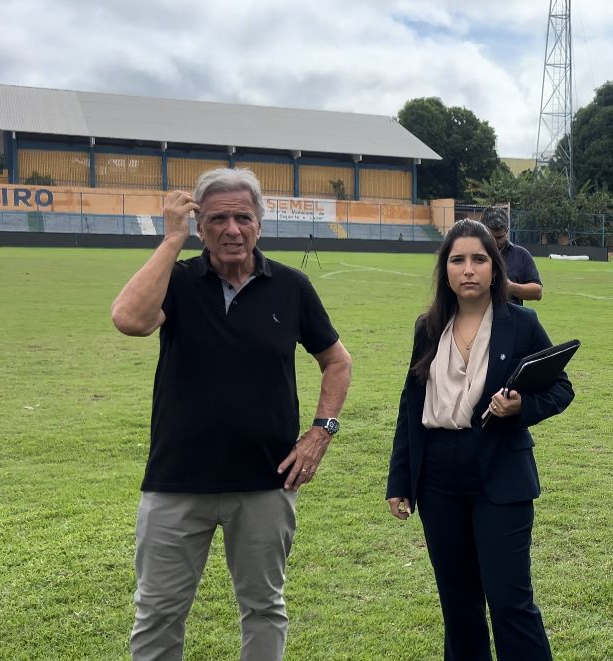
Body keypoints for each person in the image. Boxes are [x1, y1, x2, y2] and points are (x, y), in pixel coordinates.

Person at [110, 168, 353, 660]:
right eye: (217, 218)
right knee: (158, 610)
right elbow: (130, 320)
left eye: (243, 217)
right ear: (200, 227)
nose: (232, 229)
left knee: (264, 606)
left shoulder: (291, 286)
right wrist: (172, 240)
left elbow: (337, 361)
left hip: (265, 482)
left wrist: (321, 431)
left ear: (259, 224)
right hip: (177, 481)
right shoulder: (176, 282)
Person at [386, 219, 574, 661]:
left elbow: (560, 388)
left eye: (478, 259)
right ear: (445, 270)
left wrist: (521, 409)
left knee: (510, 602)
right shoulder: (427, 327)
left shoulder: (521, 325)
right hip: (436, 475)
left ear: (495, 268)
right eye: (457, 260)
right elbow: (410, 405)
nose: (468, 269)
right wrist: (400, 480)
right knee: (458, 605)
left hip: (500, 472)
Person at [480, 207, 543, 305]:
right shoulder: (470, 255)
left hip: (510, 318)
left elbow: (537, 292)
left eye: (500, 237)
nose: (495, 242)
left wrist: (511, 287)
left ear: (507, 231)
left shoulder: (521, 255)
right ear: (482, 231)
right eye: (491, 237)